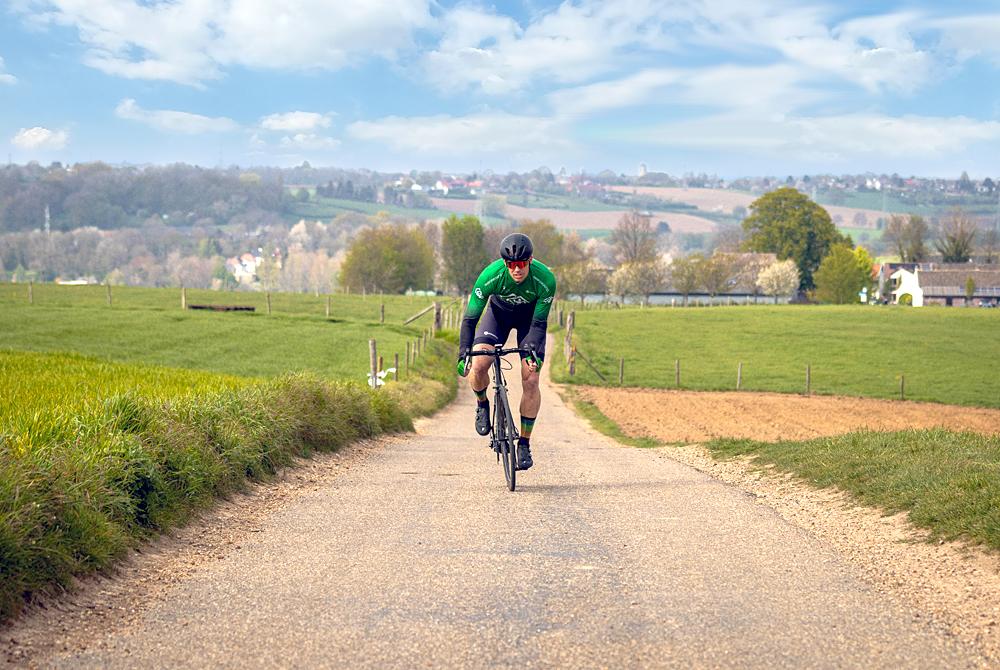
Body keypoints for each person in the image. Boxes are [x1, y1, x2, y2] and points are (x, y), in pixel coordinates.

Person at [456, 233, 557, 470]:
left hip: (529, 321)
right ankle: (482, 404)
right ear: (504, 263)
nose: (517, 269)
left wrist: (531, 350)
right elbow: (470, 319)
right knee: (480, 363)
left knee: (531, 378)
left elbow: (539, 325)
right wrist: (463, 352)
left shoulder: (545, 280)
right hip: (497, 317)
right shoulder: (490, 277)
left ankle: (524, 444)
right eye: (511, 264)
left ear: (530, 260)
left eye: (521, 264)